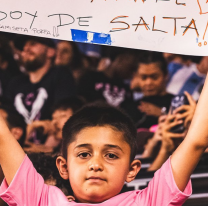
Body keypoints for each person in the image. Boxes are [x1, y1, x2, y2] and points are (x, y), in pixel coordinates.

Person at [7, 96, 208, 205]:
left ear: (132, 169)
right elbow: (2, 139)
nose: (96, 165)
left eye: (111, 155)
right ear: (63, 166)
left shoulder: (149, 202)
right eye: (84, 154)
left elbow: (196, 141)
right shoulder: (42, 200)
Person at [5, 35, 76, 143]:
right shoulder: (15, 83)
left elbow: (65, 114)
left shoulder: (60, 75)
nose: (26, 49)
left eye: (33, 44)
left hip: (48, 151)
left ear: (50, 52)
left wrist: (48, 150)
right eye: (23, 48)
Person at [121, 52, 174, 128]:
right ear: (136, 76)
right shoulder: (128, 107)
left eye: (154, 77)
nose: (148, 82)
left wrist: (163, 114)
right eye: (143, 77)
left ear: (166, 76)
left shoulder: (177, 103)